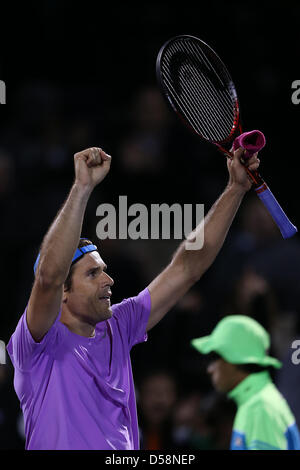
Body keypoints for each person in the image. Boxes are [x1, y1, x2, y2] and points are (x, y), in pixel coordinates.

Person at [7, 145, 259, 450]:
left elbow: (187, 267)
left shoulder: (120, 324)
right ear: (63, 291)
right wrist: (82, 188)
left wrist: (235, 188)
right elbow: (48, 277)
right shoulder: (37, 345)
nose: (108, 280)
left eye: (104, 270)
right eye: (92, 274)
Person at [191, 315, 300, 450]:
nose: (210, 369)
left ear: (236, 359)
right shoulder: (255, 403)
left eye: (216, 357)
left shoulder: (260, 408)